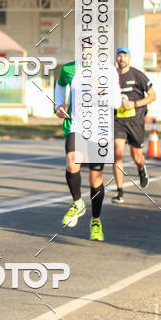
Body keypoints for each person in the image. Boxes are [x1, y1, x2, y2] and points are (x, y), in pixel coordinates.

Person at [55, 61, 121, 241]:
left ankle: (96, 221)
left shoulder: (108, 70)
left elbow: (116, 102)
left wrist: (99, 88)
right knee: (72, 163)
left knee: (95, 178)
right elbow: (60, 84)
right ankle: (78, 203)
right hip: (76, 126)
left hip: (100, 131)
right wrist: (58, 105)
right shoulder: (69, 69)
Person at [112, 47, 156, 203]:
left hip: (135, 121)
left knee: (137, 156)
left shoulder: (138, 75)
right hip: (117, 121)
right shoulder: (111, 76)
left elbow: (152, 96)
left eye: (124, 56)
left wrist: (134, 104)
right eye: (119, 56)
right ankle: (119, 192)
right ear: (116, 58)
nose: (121, 58)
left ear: (129, 58)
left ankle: (141, 169)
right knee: (117, 154)